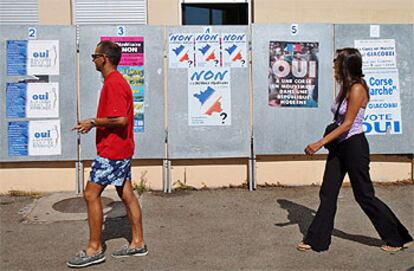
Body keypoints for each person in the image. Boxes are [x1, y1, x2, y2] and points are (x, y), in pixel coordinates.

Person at [297, 48, 413, 253]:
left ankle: (397, 237)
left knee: (364, 195)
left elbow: (348, 124)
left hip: (353, 146)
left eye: (336, 61)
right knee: (328, 192)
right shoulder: (345, 86)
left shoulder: (358, 89)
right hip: (339, 146)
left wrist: (320, 143)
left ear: (345, 65)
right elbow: (339, 120)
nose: (333, 64)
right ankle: (317, 240)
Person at [67, 40, 148, 268]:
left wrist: (93, 121)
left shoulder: (113, 83)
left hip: (112, 151)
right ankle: (138, 243)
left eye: (95, 55)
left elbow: (121, 119)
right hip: (121, 149)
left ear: (104, 58)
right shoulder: (116, 82)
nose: (93, 59)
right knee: (127, 194)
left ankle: (94, 248)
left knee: (91, 195)